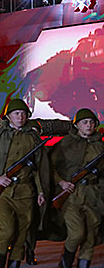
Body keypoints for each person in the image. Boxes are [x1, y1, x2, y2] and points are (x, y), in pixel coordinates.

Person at [0, 99, 47, 268]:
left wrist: (41, 191)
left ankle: (14, 263)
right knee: (6, 232)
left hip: (26, 192)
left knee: (22, 233)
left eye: (23, 114)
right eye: (16, 114)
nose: (20, 117)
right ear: (8, 116)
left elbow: (38, 168)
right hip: (3, 193)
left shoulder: (33, 138)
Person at [51, 108, 104, 268]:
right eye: (85, 122)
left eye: (92, 122)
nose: (89, 125)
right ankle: (65, 262)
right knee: (77, 233)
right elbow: (50, 167)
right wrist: (61, 182)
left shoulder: (100, 146)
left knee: (91, 235)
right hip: (71, 194)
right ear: (77, 125)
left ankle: (83, 264)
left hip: (93, 195)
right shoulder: (65, 143)